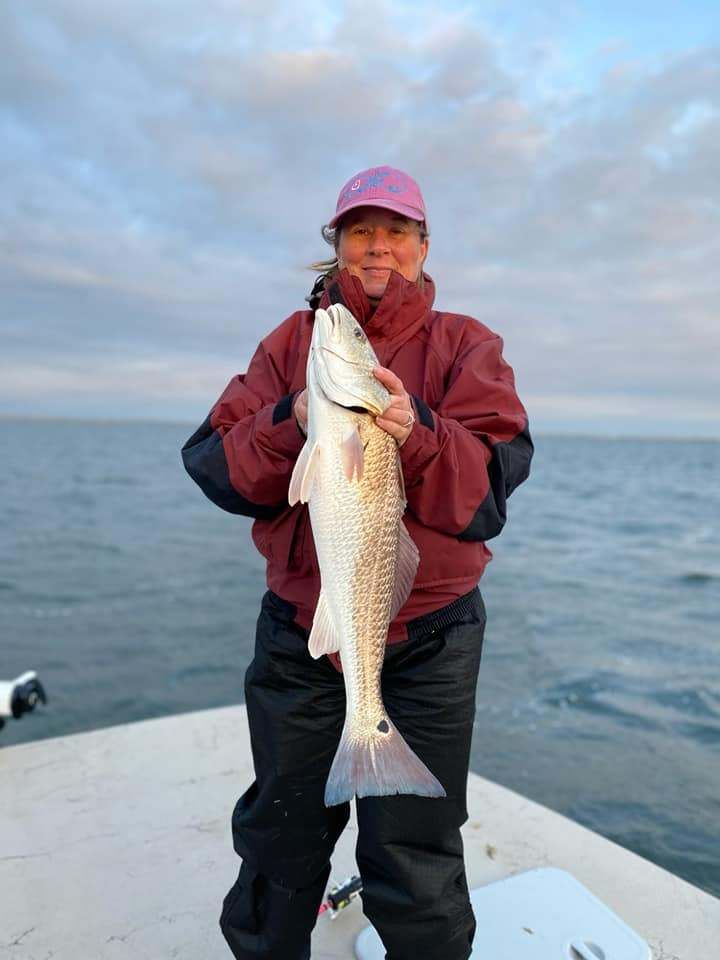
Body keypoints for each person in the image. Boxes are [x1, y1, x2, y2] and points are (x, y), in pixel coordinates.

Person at [181, 165, 533, 960]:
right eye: (361, 231)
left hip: (432, 641)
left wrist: (418, 432)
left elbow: (488, 494)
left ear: (423, 246)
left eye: (396, 232)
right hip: (302, 635)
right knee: (279, 838)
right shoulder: (293, 343)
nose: (378, 247)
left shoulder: (466, 345)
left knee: (416, 852)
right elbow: (214, 466)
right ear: (336, 245)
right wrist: (292, 417)